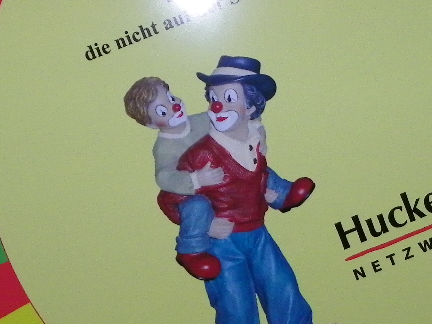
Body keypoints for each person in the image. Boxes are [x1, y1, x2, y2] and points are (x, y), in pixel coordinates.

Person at [176, 56, 353, 324]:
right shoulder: (201, 155)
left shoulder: (251, 140)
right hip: (221, 243)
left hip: (256, 232)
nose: (217, 105)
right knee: (236, 303)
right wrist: (203, 229)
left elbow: (257, 175)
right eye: (213, 97)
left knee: (281, 285)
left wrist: (278, 194)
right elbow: (174, 198)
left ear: (252, 105)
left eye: (228, 97)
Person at [122, 76, 307, 281]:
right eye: (162, 111)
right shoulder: (164, 147)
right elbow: (165, 178)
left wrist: (258, 131)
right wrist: (196, 180)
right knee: (197, 206)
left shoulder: (203, 120)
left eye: (171, 98)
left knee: (251, 162)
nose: (174, 107)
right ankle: (192, 251)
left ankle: (283, 194)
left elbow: (238, 118)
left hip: (230, 182)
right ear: (150, 124)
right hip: (200, 194)